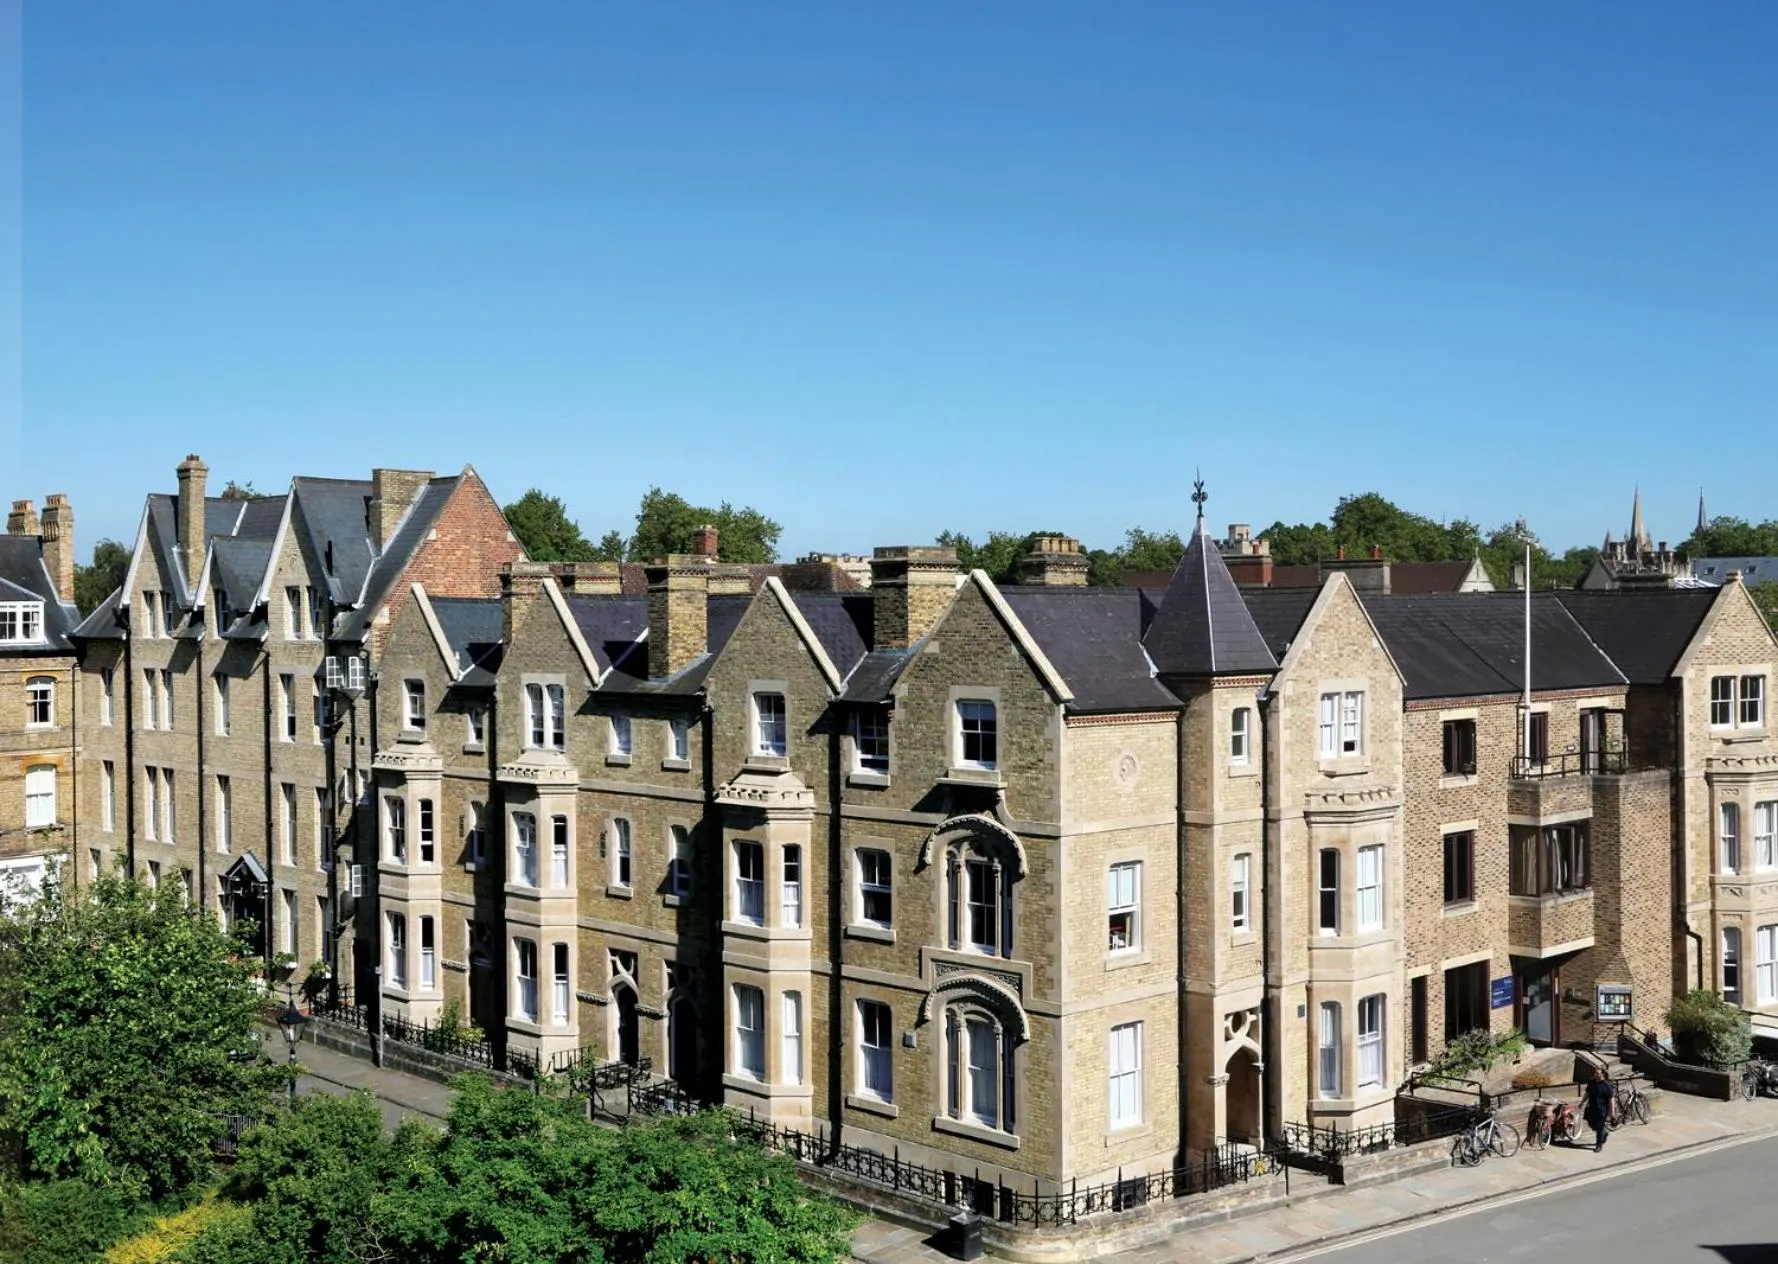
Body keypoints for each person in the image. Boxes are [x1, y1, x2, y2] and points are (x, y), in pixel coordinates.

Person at [1580, 1066, 1618, 1152]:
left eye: (1597, 1073)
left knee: (1600, 1127)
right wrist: (1582, 1102)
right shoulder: (1592, 1081)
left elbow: (1611, 1101)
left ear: (1602, 1074)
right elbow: (1587, 1093)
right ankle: (1604, 1133)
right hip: (1591, 1107)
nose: (1595, 1075)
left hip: (1602, 1110)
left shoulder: (1607, 1086)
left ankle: (1599, 1145)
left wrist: (1612, 1115)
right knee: (1591, 1124)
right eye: (1595, 1073)